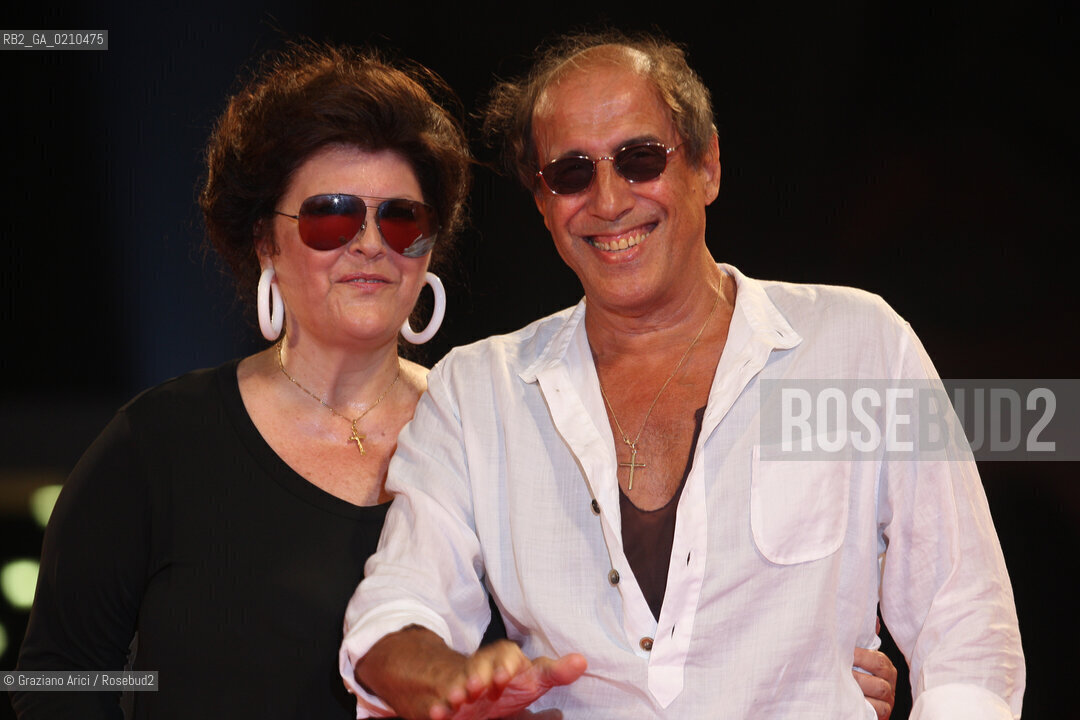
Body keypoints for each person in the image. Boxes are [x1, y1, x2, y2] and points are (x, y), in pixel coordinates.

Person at [340, 30, 1024, 719]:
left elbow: (964, 624)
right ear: (544, 204)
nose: (608, 200)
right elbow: (395, 614)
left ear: (707, 167)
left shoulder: (860, 344)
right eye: (572, 173)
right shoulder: (478, 392)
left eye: (639, 160)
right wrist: (450, 681)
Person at [12, 42, 471, 719]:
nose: (372, 243)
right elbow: (58, 679)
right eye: (332, 215)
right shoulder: (160, 444)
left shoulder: (483, 432)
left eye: (403, 219)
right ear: (266, 242)